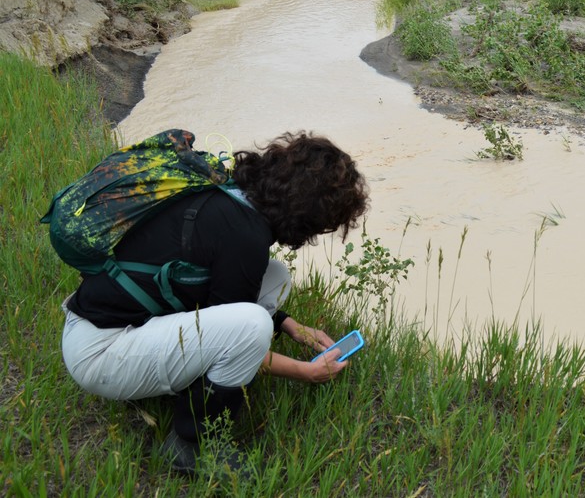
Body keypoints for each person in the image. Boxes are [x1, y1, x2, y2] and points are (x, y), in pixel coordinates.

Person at [60, 131, 369, 474]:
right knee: (252, 326)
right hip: (102, 354)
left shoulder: (229, 197)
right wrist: (305, 372)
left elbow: (217, 295)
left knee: (275, 276)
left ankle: (191, 384)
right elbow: (241, 330)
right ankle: (190, 445)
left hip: (99, 325)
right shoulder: (245, 237)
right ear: (310, 215)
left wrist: (292, 326)